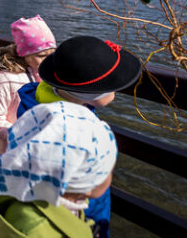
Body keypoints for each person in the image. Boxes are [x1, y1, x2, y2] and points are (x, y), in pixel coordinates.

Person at [16, 35, 142, 238]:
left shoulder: (32, 99)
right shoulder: (85, 133)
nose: (116, 92)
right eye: (112, 87)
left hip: (35, 203)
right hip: (76, 215)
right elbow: (96, 189)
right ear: (90, 93)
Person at [0, 101, 118, 238]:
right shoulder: (35, 230)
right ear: (87, 185)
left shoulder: (12, 187)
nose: (111, 174)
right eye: (107, 170)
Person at [0, 16, 56, 159]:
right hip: (11, 152)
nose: (49, 60)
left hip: (39, 152)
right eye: (41, 55)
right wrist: (21, 134)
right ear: (24, 55)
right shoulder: (5, 80)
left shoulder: (49, 75)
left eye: (52, 54)